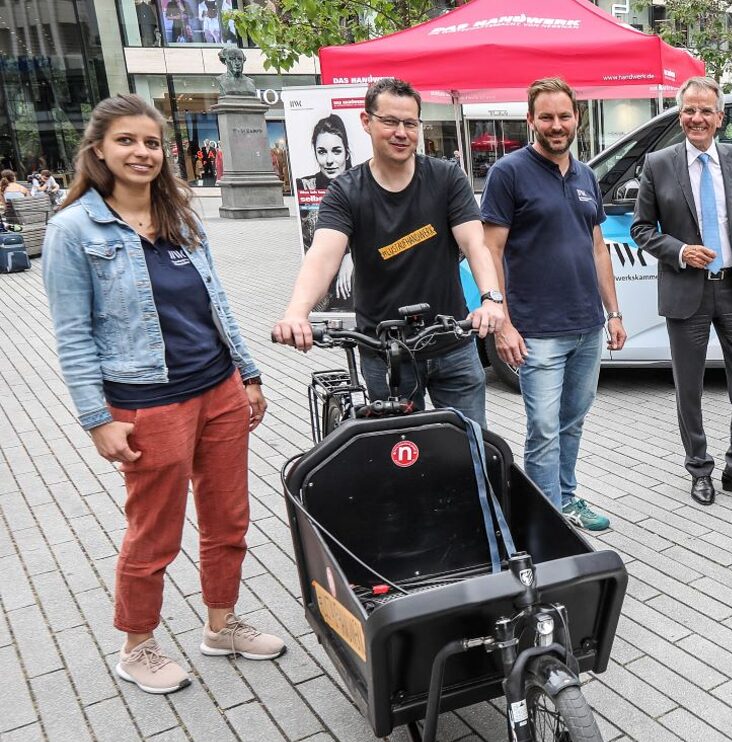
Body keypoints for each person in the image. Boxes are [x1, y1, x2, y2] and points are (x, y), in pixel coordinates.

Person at [41, 94, 283, 695]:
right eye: (126, 141)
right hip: (147, 403)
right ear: (98, 150)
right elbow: (73, 336)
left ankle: (220, 625)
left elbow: (217, 304)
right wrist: (97, 418)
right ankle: (137, 644)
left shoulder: (181, 216)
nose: (141, 152)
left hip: (218, 389)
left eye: (151, 142)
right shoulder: (72, 230)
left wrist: (247, 375)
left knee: (228, 518)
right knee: (155, 530)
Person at [272, 77, 506, 427]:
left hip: (450, 343)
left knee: (469, 448)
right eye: (390, 121)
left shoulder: (446, 179)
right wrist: (297, 312)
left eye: (410, 123)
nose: (401, 132)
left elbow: (475, 244)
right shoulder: (346, 192)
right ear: (367, 122)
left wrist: (491, 299)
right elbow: (323, 256)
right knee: (399, 456)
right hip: (386, 352)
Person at [481, 78, 626, 532]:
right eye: (546, 117)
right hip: (537, 330)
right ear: (530, 120)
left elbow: (598, 247)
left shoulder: (585, 175)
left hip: (586, 325)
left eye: (564, 116)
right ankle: (545, 520)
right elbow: (491, 251)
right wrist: (502, 322)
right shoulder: (509, 173)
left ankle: (564, 497)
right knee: (542, 428)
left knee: (572, 421)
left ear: (577, 119)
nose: (556, 125)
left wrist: (614, 313)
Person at [631, 76, 732, 506]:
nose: (697, 118)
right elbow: (641, 228)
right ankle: (699, 468)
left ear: (720, 117)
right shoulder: (658, 163)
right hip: (686, 292)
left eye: (705, 111)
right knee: (689, 387)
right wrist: (678, 251)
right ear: (681, 116)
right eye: (689, 110)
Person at [296, 115, 352, 192]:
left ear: (347, 154)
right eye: (322, 152)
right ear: (315, 154)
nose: (329, 160)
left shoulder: (364, 186)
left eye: (336, 151)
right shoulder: (303, 186)